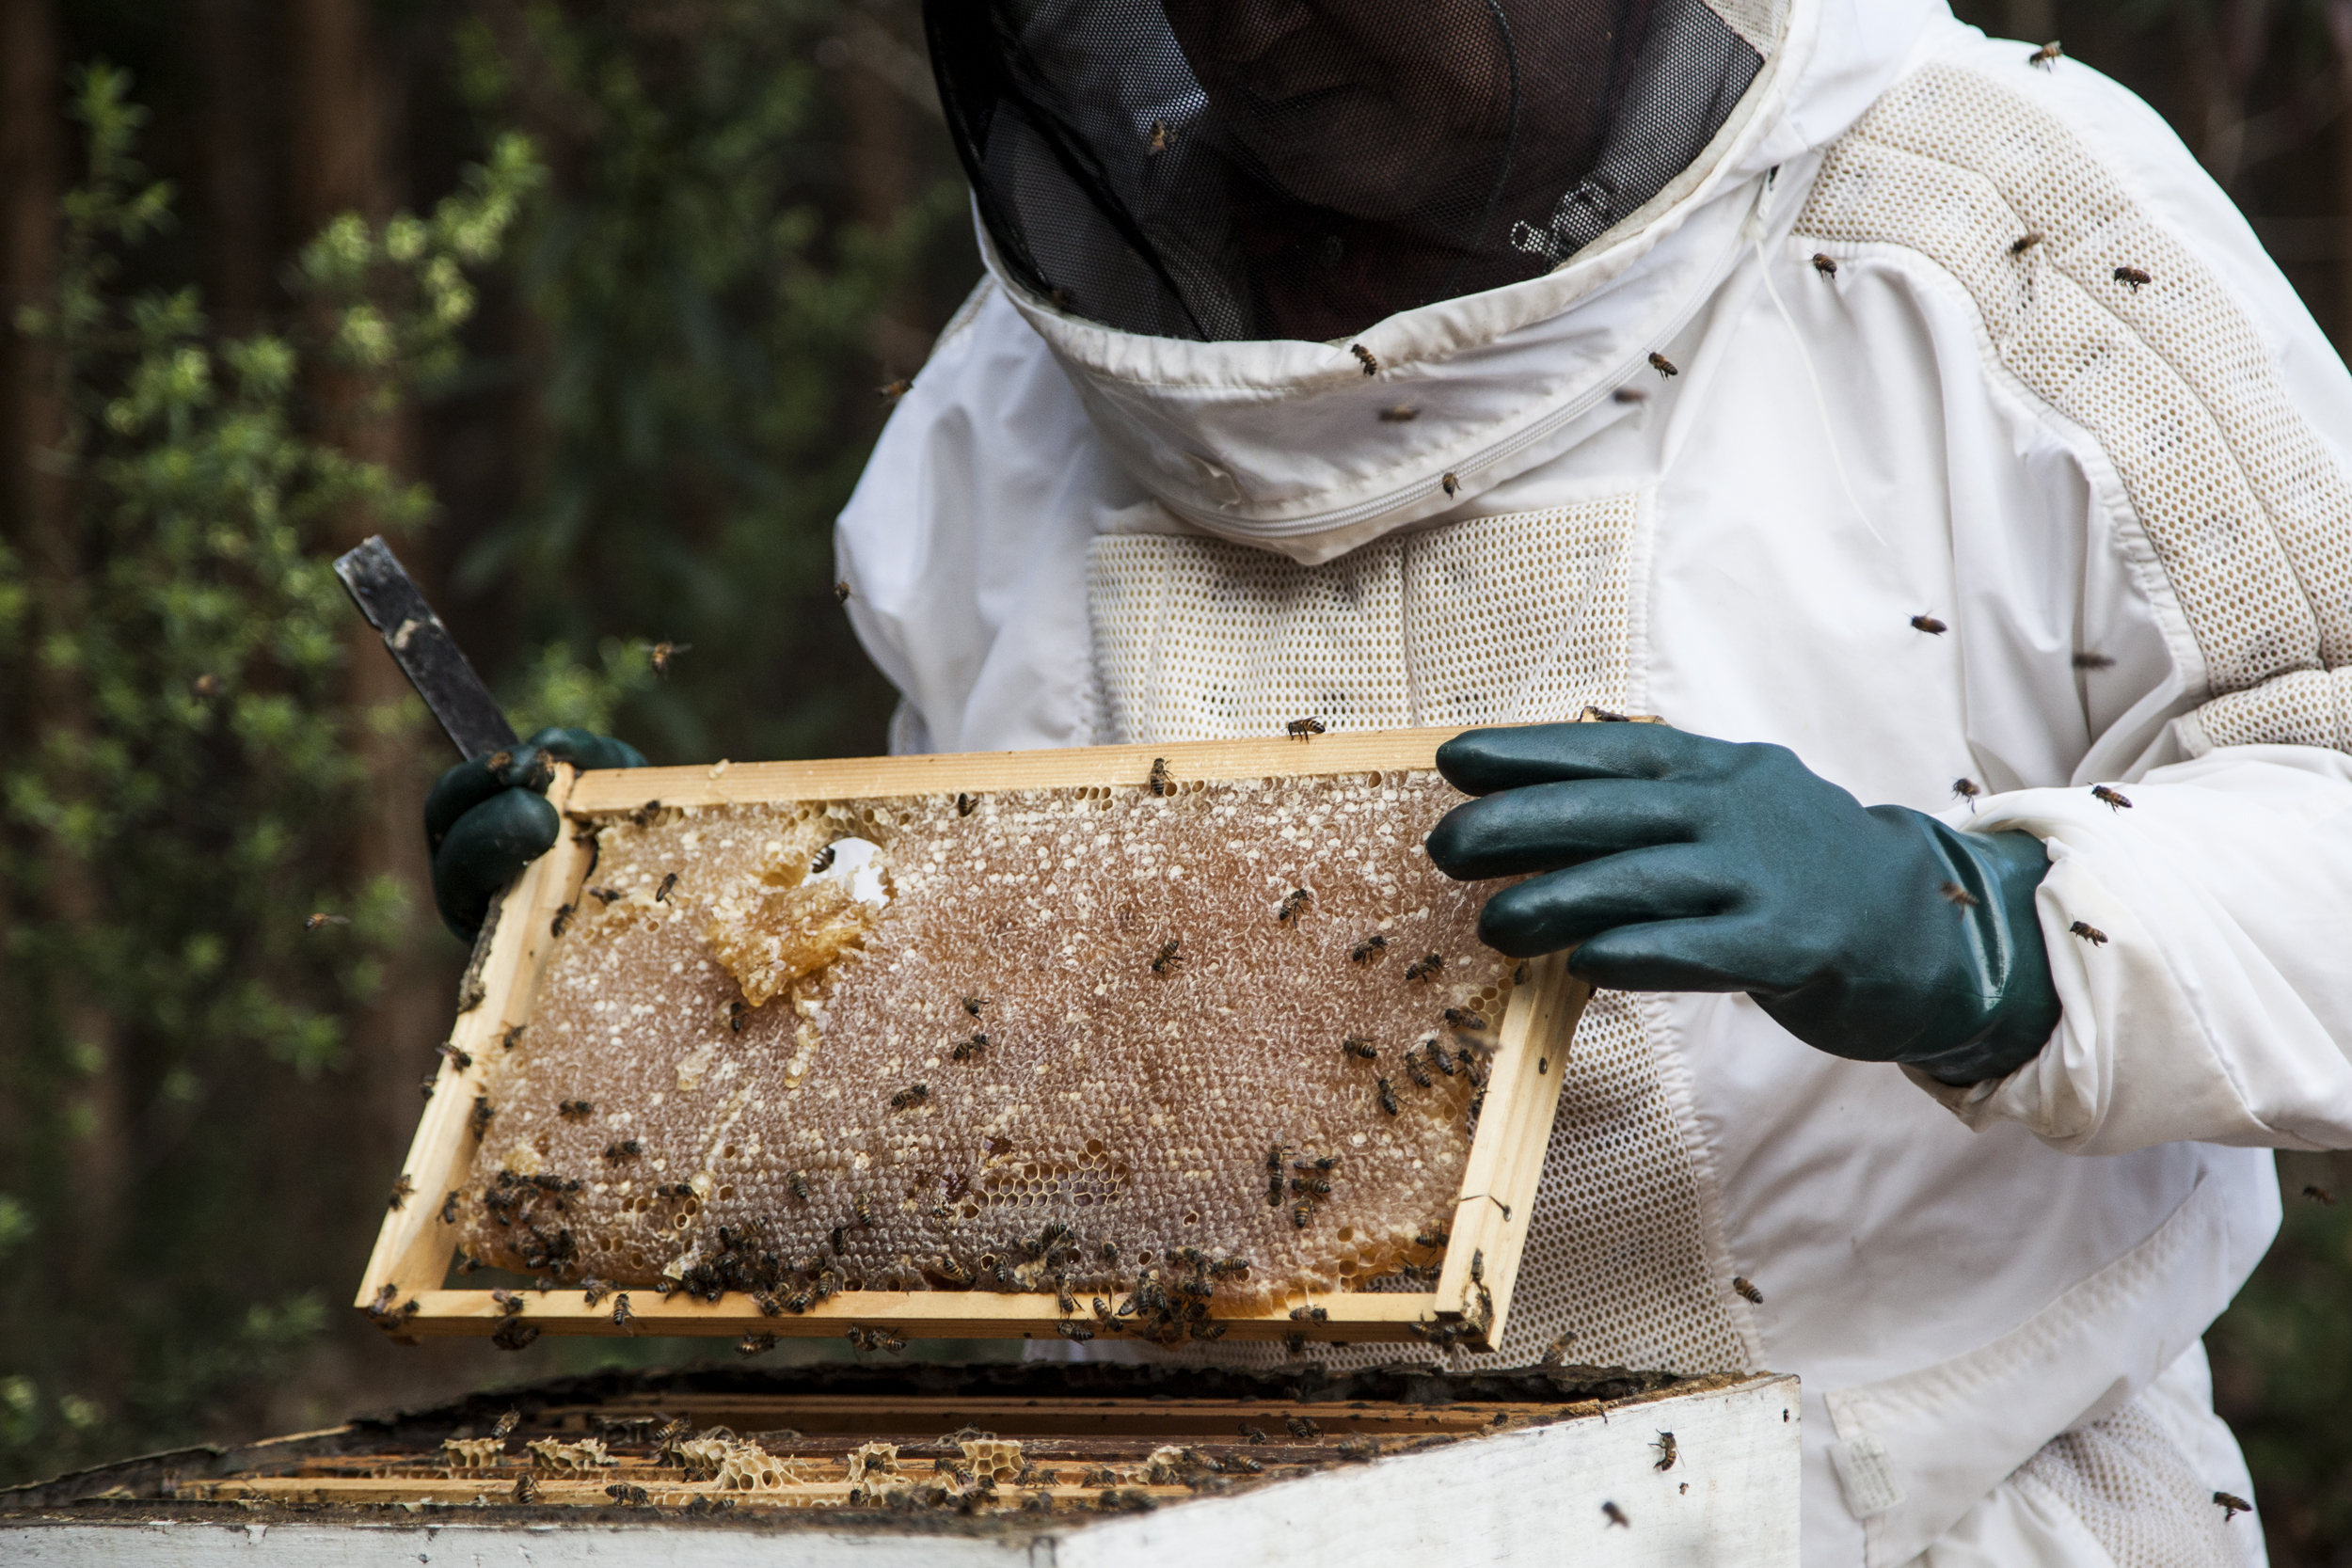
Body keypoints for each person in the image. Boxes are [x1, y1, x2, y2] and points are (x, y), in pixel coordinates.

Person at [434, 2, 2352, 1560]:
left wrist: (1982, 923)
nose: (1246, 25)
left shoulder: (1986, 224)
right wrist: (686, 968)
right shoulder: (1005, 406)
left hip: (1923, 1512)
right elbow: (1022, 1073)